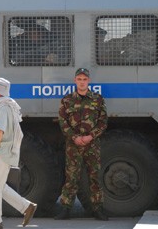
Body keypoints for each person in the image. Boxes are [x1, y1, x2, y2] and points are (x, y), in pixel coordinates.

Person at [0, 78, 37, 229]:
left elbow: (0, 129)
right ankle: (27, 207)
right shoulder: (7, 105)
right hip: (5, 150)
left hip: (2, 151)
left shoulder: (3, 107)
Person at [55, 68, 108, 221]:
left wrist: (91, 136)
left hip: (92, 145)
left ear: (89, 81)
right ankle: (65, 209)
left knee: (95, 178)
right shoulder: (67, 100)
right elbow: (62, 122)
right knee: (71, 177)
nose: (82, 82)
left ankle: (98, 209)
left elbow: (103, 122)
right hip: (73, 145)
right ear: (75, 81)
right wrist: (74, 137)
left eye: (85, 79)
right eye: (79, 79)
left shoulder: (97, 99)